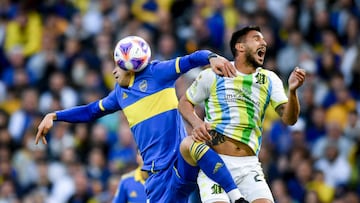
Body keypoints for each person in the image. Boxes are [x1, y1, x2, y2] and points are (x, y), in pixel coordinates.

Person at [35, 36, 246, 203]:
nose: (113, 71)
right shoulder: (119, 94)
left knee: (190, 144)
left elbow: (190, 59)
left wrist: (212, 57)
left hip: (178, 163)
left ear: (129, 65)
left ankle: (237, 198)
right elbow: (90, 111)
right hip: (156, 177)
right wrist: (55, 115)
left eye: (117, 66)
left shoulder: (157, 73)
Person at [178, 25, 306, 203]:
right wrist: (197, 123)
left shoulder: (270, 79)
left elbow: (290, 119)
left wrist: (292, 92)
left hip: (249, 165)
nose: (264, 43)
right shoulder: (215, 74)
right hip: (215, 162)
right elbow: (184, 103)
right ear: (240, 47)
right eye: (257, 39)